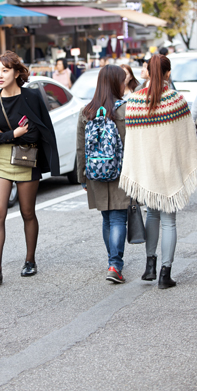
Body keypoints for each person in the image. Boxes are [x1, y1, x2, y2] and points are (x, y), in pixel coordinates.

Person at [0, 50, 60, 284]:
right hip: (0, 162)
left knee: (27, 212)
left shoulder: (31, 97)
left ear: (17, 72)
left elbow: (36, 133)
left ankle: (30, 260)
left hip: (26, 159)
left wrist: (4, 134)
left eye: (5, 70)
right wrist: (14, 133)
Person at [120, 54, 197, 289]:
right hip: (170, 170)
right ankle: (165, 273)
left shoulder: (134, 103)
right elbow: (187, 139)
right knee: (169, 221)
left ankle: (149, 266)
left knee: (152, 215)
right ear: (167, 73)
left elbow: (132, 142)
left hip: (147, 169)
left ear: (146, 71)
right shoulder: (177, 101)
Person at [76, 65, 130, 283]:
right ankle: (115, 265)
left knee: (107, 218)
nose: (125, 84)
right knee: (118, 218)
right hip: (121, 172)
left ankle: (112, 262)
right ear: (116, 83)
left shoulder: (87, 111)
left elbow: (81, 148)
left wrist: (83, 177)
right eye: (123, 80)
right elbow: (131, 145)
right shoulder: (125, 110)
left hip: (95, 172)